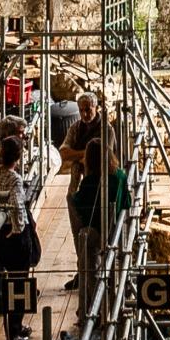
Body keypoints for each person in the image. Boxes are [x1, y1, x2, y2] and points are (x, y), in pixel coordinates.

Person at [0, 135, 42, 340]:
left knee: (10, 281)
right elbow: (17, 206)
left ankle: (17, 327)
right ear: (18, 158)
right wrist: (19, 229)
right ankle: (13, 334)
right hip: (13, 235)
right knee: (19, 282)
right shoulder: (14, 179)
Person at [64, 92, 104, 293]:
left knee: (94, 235)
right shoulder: (75, 128)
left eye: (88, 109)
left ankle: (93, 279)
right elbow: (63, 152)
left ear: (96, 107)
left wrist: (77, 156)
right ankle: (82, 273)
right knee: (77, 233)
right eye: (81, 110)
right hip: (76, 188)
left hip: (97, 188)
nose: (84, 114)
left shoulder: (106, 129)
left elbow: (106, 155)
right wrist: (87, 154)